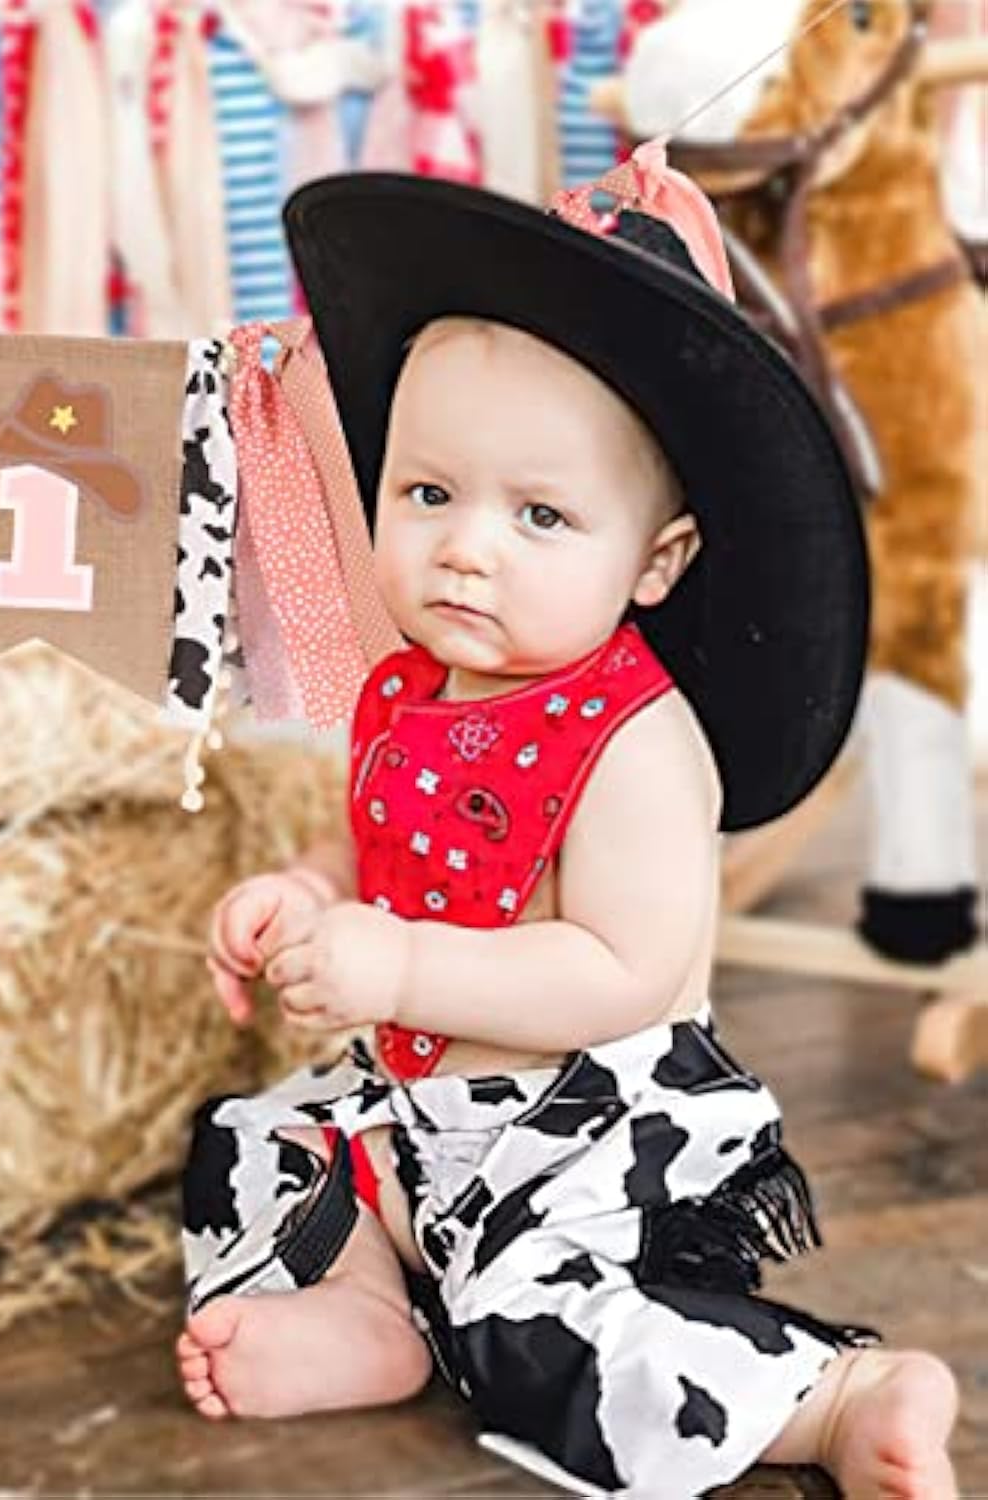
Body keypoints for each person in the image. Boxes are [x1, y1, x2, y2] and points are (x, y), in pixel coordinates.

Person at [176, 145, 960, 1497]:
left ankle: (829, 1399)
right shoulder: (407, 683)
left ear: (653, 561)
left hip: (580, 1134)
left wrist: (403, 966)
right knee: (252, 1140)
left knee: (537, 1331)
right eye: (429, 494)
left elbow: (621, 970)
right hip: (415, 1099)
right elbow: (379, 850)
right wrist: (307, 900)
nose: (467, 547)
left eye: (541, 514)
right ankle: (368, 1304)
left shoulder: (634, 745)